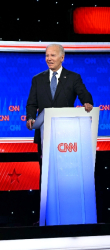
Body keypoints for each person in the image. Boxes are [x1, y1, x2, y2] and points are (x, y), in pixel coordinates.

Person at [26, 43, 93, 187]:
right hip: (44, 134)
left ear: (62, 57)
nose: (48, 58)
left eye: (52, 55)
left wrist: (87, 102)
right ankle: (45, 204)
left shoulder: (73, 78)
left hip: (66, 135)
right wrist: (30, 117)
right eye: (47, 55)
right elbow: (32, 103)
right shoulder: (37, 79)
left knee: (64, 174)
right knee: (45, 173)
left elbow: (84, 93)